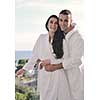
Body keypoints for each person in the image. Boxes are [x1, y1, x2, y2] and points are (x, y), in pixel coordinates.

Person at [16, 15, 70, 100]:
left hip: (58, 75)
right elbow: (34, 56)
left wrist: (49, 61)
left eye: (56, 23)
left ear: (58, 26)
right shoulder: (41, 38)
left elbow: (66, 58)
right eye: (51, 22)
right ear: (47, 24)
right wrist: (24, 69)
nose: (53, 25)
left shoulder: (62, 40)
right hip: (44, 75)